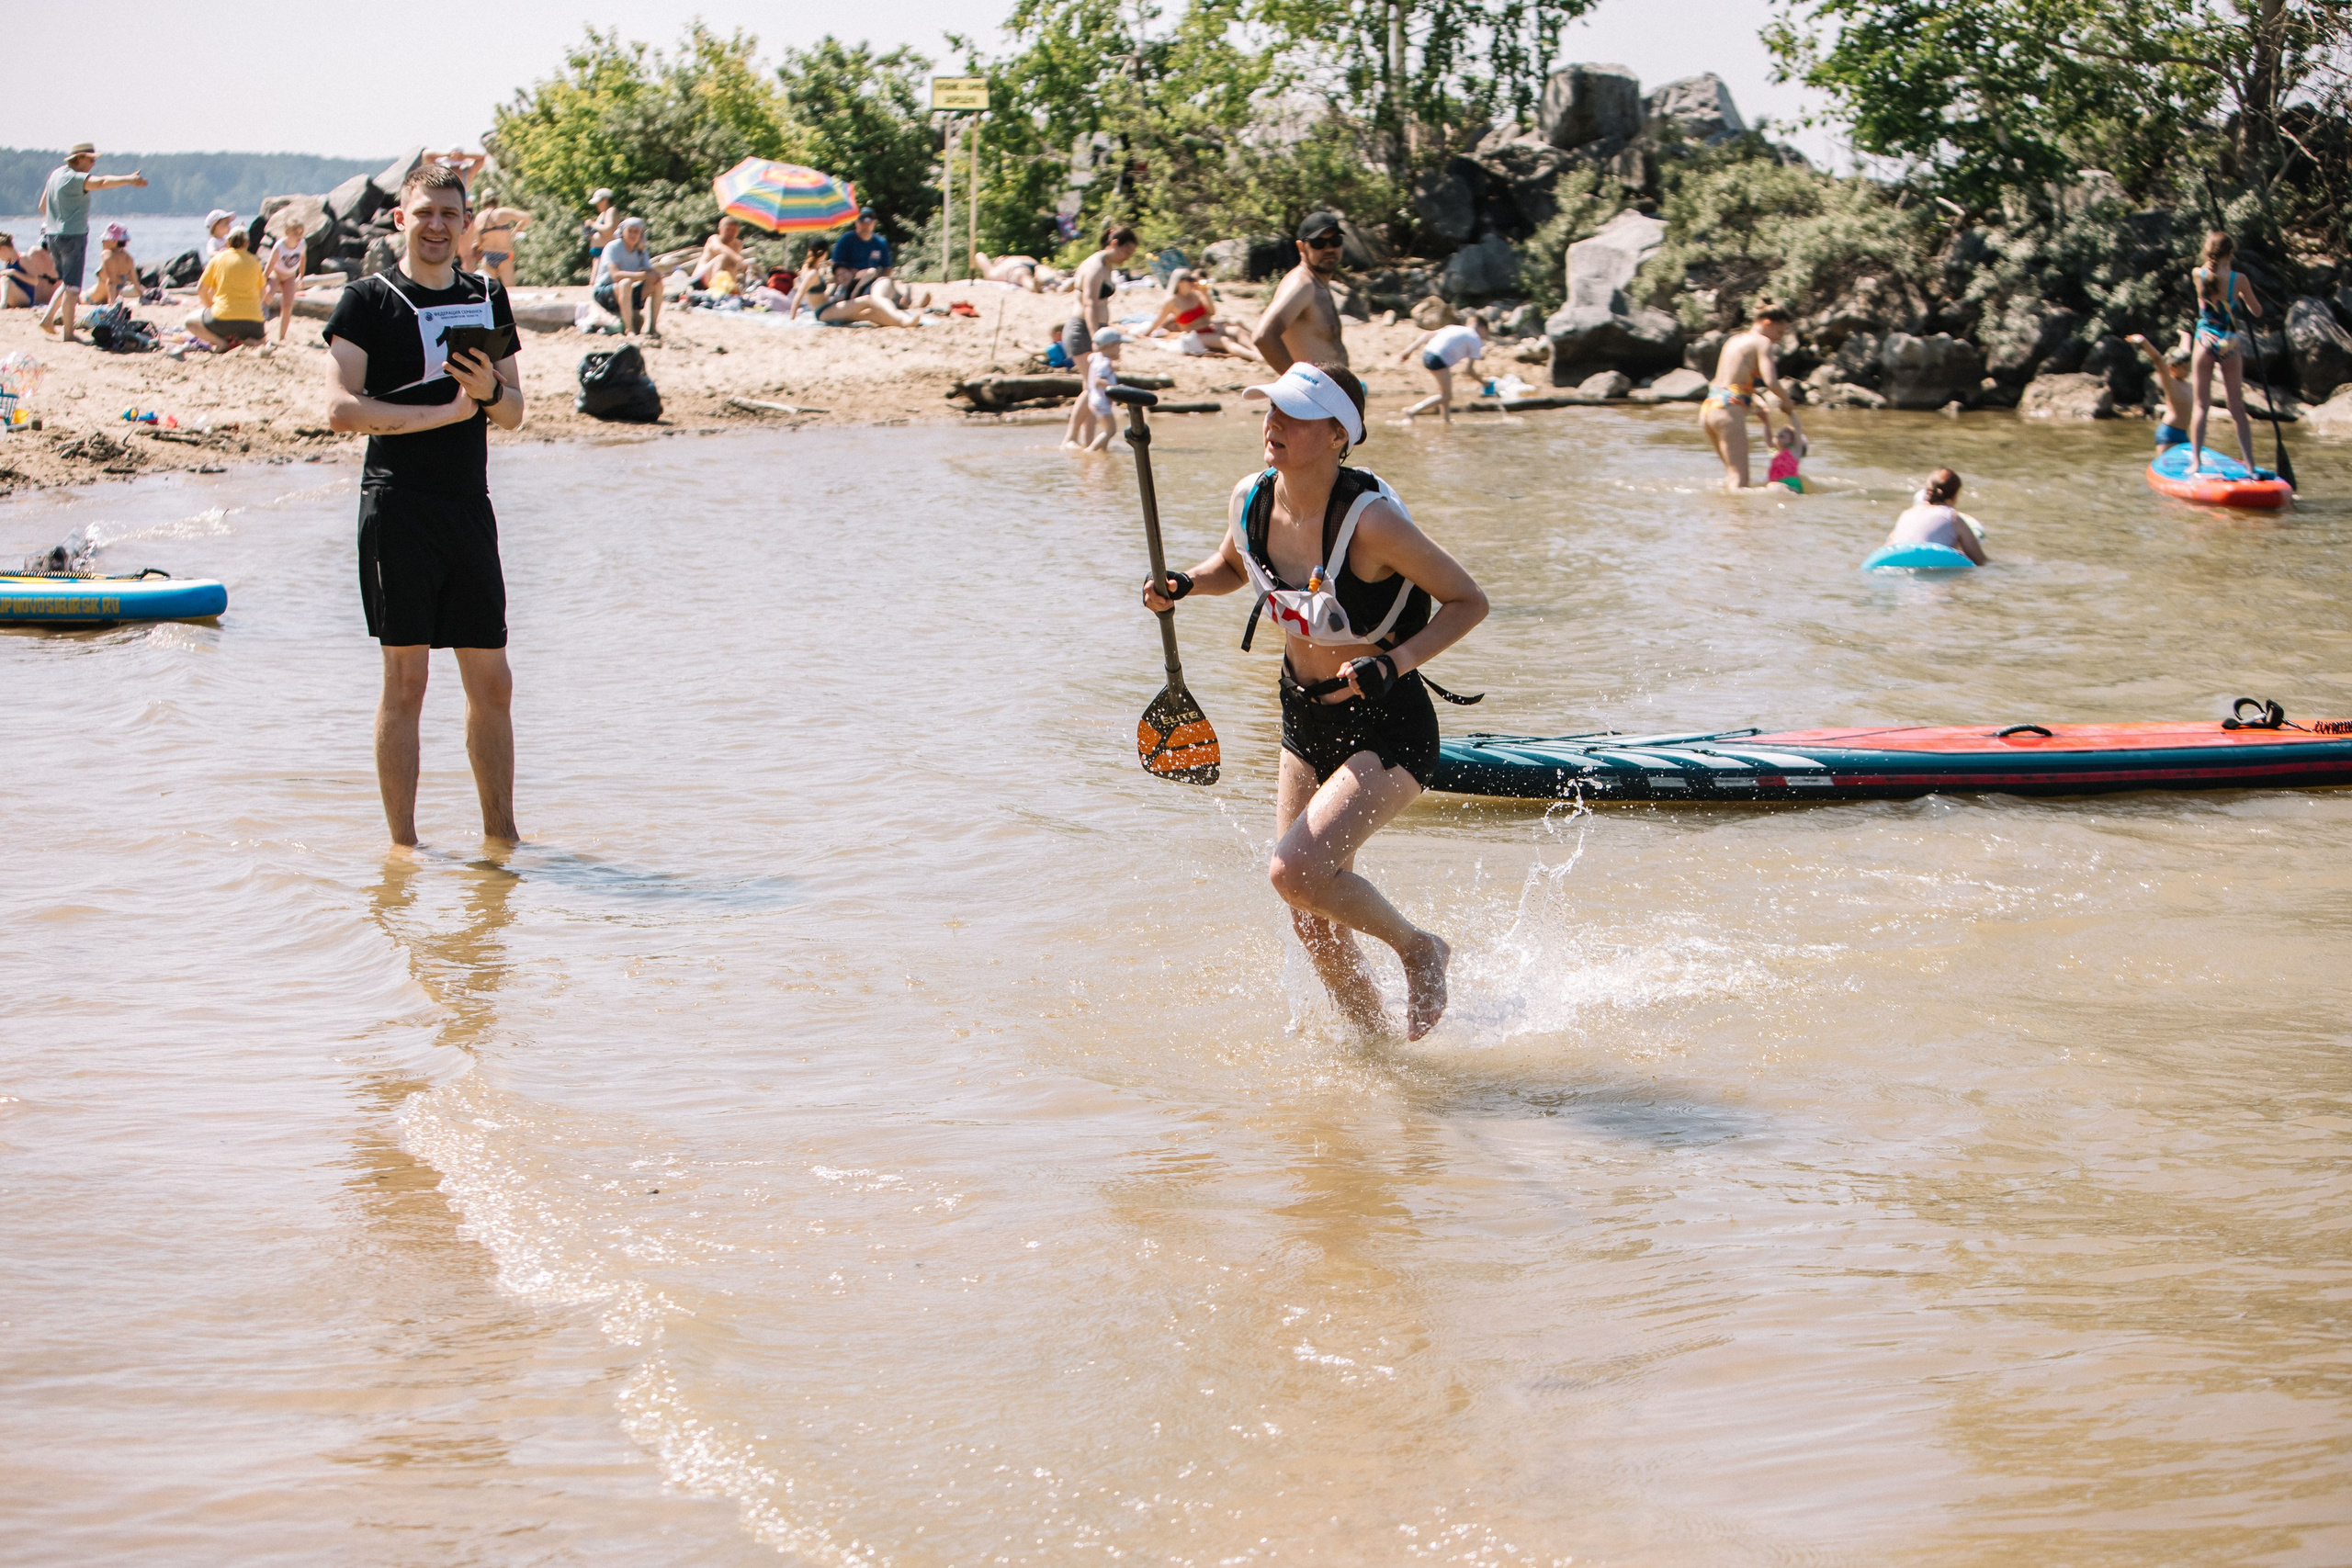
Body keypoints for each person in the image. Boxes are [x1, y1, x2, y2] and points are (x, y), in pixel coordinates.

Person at [1141, 364, 1487, 1039]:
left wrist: (1396, 661)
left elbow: (1469, 600)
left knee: (1293, 872)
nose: (1273, 425)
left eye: (1294, 415)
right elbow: (1234, 568)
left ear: (1337, 434)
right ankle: (1376, 1053)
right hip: (1302, 714)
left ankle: (1420, 948)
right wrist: (1182, 583)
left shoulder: (1373, 523)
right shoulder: (1252, 496)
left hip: (1387, 723)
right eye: (1270, 410)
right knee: (1308, 912)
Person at [322, 163, 526, 850]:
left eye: (449, 214)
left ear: (467, 225)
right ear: (400, 219)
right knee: (407, 683)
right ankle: (404, 850)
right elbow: (339, 410)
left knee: (493, 683)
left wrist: (487, 396)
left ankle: (502, 840)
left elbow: (517, 411)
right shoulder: (365, 300)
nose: (436, 225)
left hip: (468, 507)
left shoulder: (488, 296)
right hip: (397, 506)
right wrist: (443, 414)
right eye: (424, 213)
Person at [36, 142, 148, 345]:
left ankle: (47, 319)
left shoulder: (55, 175)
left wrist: (57, 220)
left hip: (52, 235)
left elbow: (42, 206)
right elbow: (102, 182)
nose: (94, 163)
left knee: (67, 282)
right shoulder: (76, 178)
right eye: (91, 159)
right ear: (78, 159)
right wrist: (129, 180)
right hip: (73, 236)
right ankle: (68, 334)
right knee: (73, 288)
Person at [1701, 301, 1804, 491]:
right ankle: (1739, 520)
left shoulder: (1735, 340)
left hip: (1709, 408)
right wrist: (1787, 401)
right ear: (1767, 323)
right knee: (1740, 482)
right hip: (1727, 412)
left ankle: (1722, 518)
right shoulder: (1762, 342)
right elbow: (1771, 381)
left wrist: (1755, 399)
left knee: (1732, 476)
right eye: (1779, 333)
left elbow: (1729, 382)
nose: (1778, 340)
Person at [2188, 231, 2265, 475]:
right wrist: (2239, 296)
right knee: (2237, 408)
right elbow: (2258, 311)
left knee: (2201, 406)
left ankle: (2196, 463)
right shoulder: (2239, 279)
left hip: (2204, 341)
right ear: (2231, 253)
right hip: (2229, 343)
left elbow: (2208, 298)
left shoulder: (2197, 274)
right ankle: (2250, 465)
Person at [1252, 212, 1351, 373]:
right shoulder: (1301, 284)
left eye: (1335, 241)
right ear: (1301, 247)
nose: (1329, 249)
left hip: (1328, 394)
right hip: (1311, 394)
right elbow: (1263, 336)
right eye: (1318, 243)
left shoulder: (1318, 283)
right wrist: (1297, 383)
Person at [175, 229, 266, 355]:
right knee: (260, 338)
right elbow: (262, 293)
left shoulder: (218, 259)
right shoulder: (255, 261)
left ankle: (220, 343)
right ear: (247, 243)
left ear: (227, 243)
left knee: (189, 322)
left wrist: (209, 307)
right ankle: (250, 341)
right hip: (254, 322)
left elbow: (201, 289)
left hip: (223, 317)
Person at [1880, 468, 1986, 564]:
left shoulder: (1906, 514)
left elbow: (1891, 546)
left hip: (1898, 562)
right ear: (1954, 496)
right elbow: (1980, 560)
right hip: (1934, 566)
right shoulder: (1953, 518)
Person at [1067, 224, 1139, 360]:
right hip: (1084, 330)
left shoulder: (1107, 265)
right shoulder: (1095, 267)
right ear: (1114, 243)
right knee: (1093, 379)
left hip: (1097, 329)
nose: (1128, 257)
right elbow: (1090, 304)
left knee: (1099, 378)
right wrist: (1096, 338)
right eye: (1127, 252)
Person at [1396, 317, 1485, 423]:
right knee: (1447, 395)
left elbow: (1426, 335)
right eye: (1486, 333)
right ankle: (1412, 410)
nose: (1485, 336)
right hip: (1438, 359)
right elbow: (1468, 370)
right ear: (1482, 328)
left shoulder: (1454, 328)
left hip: (1427, 353)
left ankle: (1446, 420)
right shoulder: (1475, 338)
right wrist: (1485, 383)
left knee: (1444, 393)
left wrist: (1408, 351)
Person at [1147, 268, 1250, 356]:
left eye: (1193, 279)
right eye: (1190, 279)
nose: (1193, 282)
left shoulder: (1197, 295)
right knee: (1225, 340)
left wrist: (1205, 294)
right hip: (1193, 335)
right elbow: (1160, 320)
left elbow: (1212, 312)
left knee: (1238, 330)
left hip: (1209, 328)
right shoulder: (1172, 301)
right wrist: (1147, 333)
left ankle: (1260, 348)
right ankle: (1255, 356)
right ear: (1180, 282)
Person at [592, 217, 663, 340]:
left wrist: (654, 275)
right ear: (623, 232)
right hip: (605, 291)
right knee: (625, 282)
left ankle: (652, 328)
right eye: (630, 231)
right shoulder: (613, 247)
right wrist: (643, 276)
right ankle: (629, 329)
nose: (633, 235)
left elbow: (648, 270)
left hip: (627, 290)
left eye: (636, 232)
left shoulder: (641, 249)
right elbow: (615, 275)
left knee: (657, 283)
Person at [2127, 332, 2194, 450]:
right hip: (2169, 433)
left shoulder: (2185, 381)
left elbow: (2185, 351)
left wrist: (2185, 336)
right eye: (2185, 368)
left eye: (2189, 367)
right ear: (2172, 368)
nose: (2188, 370)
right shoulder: (2170, 381)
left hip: (2183, 433)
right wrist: (2143, 341)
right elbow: (2158, 359)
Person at [1063, 327, 1123, 451]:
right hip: (1101, 403)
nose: (1120, 349)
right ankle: (1090, 451)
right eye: (1118, 346)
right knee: (1111, 431)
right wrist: (1115, 388)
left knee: (1107, 429)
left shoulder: (1095, 357)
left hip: (1094, 401)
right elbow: (1098, 381)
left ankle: (1103, 452)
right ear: (1110, 345)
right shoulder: (1105, 363)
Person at [816, 259, 920, 328]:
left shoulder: (857, 276)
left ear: (850, 272)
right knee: (887, 306)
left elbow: (872, 272)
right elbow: (829, 299)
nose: (842, 276)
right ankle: (904, 304)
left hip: (879, 284)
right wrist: (836, 285)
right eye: (838, 275)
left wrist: (856, 290)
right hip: (878, 300)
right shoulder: (844, 292)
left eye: (844, 273)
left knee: (877, 298)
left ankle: (904, 317)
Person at [261, 218, 309, 345]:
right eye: (295, 233)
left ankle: (282, 337)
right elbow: (270, 265)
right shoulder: (280, 247)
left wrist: (301, 276)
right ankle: (260, 328)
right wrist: (262, 281)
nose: (299, 236)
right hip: (276, 273)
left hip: (290, 276)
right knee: (268, 295)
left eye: (301, 233)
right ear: (287, 233)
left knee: (287, 306)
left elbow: (303, 259)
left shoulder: (302, 244)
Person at [466, 204, 532, 288]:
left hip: (488, 255)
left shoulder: (480, 217)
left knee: (488, 290)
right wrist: (518, 228)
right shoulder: (503, 212)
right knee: (510, 289)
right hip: (505, 255)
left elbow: (477, 242)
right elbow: (527, 217)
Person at [85, 224, 141, 305]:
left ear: (113, 241)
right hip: (108, 298)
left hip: (92, 298)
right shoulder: (128, 257)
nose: (102, 242)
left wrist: (111, 302)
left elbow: (111, 281)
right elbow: (134, 280)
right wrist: (142, 295)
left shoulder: (107, 255)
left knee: (72, 293)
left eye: (105, 239)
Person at [693, 217, 747, 288]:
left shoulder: (737, 244)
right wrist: (738, 258)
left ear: (738, 232)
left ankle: (730, 289)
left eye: (734, 230)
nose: (730, 233)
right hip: (699, 278)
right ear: (720, 229)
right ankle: (716, 288)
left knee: (732, 263)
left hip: (720, 280)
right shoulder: (713, 239)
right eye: (727, 229)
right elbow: (718, 248)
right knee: (723, 257)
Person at [973, 250, 1064, 292]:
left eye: (1003, 256)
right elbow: (979, 255)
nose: (1001, 257)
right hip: (1030, 264)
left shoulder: (995, 271)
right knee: (1037, 271)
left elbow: (979, 255)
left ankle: (1036, 285)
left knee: (1023, 275)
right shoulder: (996, 270)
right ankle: (1056, 284)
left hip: (1019, 267)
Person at [1765, 422, 1804, 491]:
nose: (1781, 432)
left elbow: (1798, 430)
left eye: (1786, 431)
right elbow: (1768, 441)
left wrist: (1791, 414)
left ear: (1793, 440)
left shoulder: (1794, 452)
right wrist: (1766, 422)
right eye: (1779, 433)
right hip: (1777, 486)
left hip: (1792, 484)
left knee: (1771, 486)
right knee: (1771, 486)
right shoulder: (1774, 454)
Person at [1, 234, 36, 309]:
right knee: (3, 279)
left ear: (3, 249)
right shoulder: (7, 262)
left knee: (4, 280)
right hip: (15, 296)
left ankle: (3, 305)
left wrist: (14, 272)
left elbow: (35, 281)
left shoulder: (22, 258)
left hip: (26, 298)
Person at [584, 188, 619, 254]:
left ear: (605, 200)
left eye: (598, 202)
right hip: (599, 253)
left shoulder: (611, 210)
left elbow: (609, 228)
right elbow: (598, 231)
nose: (596, 205)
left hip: (608, 253)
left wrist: (592, 224)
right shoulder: (603, 214)